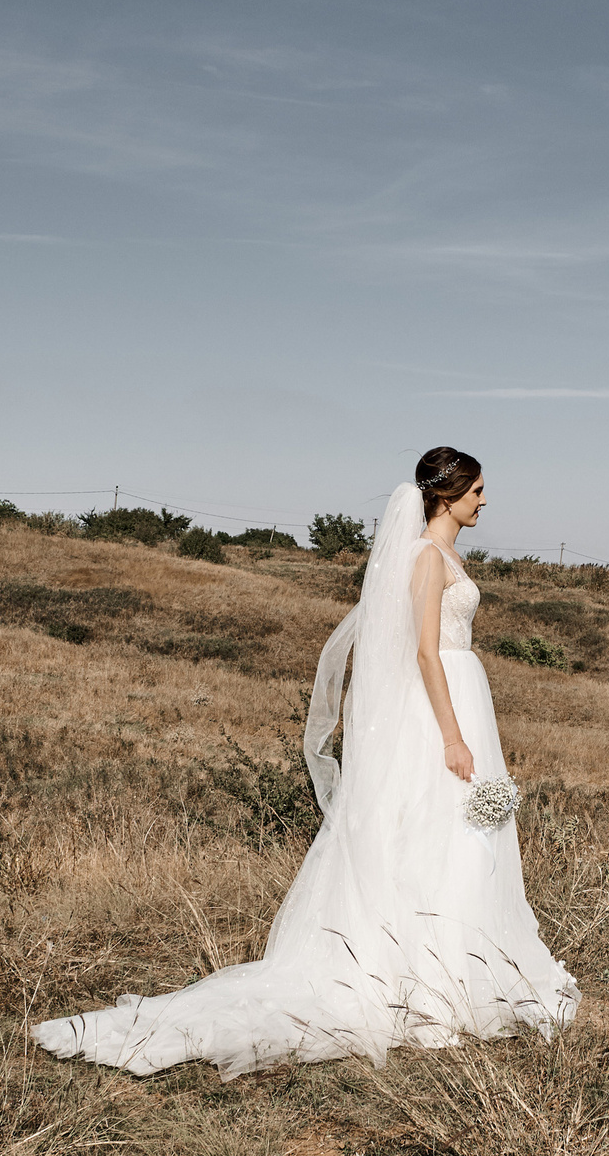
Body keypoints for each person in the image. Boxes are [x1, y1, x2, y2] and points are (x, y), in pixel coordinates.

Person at [31, 447, 579, 1076]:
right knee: (435, 831)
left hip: (465, 693)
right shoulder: (426, 557)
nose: (486, 499)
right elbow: (426, 653)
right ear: (447, 494)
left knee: (457, 835)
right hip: (442, 707)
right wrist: (453, 738)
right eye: (478, 489)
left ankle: (464, 964)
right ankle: (425, 984)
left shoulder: (451, 555)